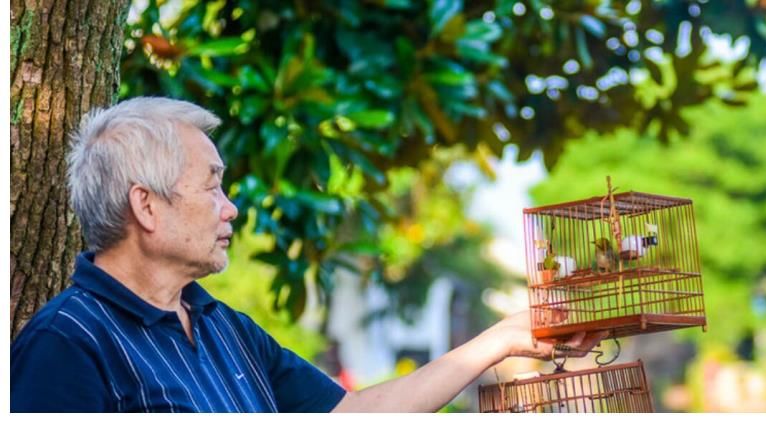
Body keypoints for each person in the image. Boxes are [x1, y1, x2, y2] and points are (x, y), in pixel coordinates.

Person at [10, 97, 605, 413]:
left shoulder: (225, 330)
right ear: (146, 206)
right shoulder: (66, 344)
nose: (231, 209)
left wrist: (501, 338)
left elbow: (352, 417)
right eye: (213, 184)